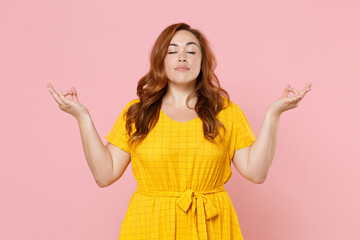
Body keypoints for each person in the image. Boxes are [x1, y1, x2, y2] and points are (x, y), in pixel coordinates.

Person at [47, 22, 312, 240]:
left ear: (203, 61)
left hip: (212, 225)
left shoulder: (226, 112)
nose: (182, 57)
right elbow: (104, 175)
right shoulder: (138, 112)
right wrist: (82, 116)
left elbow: (256, 172)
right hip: (148, 226)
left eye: (191, 50)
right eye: (172, 51)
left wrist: (273, 114)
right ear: (160, 60)